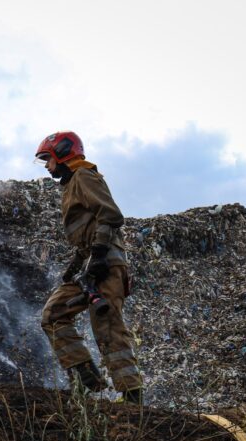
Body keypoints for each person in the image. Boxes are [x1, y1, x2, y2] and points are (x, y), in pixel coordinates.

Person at [35, 131, 144, 404]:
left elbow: (110, 215)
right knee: (53, 313)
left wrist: (98, 255)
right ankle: (86, 375)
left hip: (106, 262)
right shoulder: (71, 185)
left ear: (62, 153)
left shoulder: (83, 176)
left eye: (48, 159)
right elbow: (87, 233)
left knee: (107, 325)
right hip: (90, 265)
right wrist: (75, 266)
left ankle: (132, 396)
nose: (47, 166)